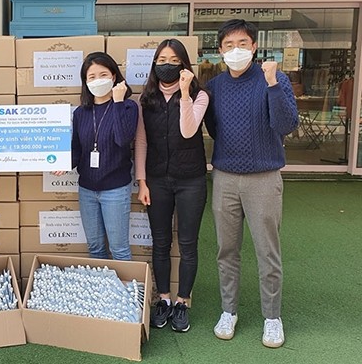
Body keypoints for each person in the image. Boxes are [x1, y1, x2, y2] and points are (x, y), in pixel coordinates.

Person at [205, 19, 299, 348]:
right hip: (225, 178)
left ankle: (272, 317)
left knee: (267, 252)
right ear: (220, 50)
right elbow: (214, 128)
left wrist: (272, 83)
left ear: (254, 46)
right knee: (226, 250)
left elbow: (286, 124)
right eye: (229, 45)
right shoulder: (215, 86)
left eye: (242, 43)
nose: (236, 50)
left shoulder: (274, 78)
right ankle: (228, 311)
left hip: (264, 178)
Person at [135, 39, 208, 332]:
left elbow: (188, 130)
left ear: (184, 65)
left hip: (191, 180)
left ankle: (182, 302)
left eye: (175, 60)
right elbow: (141, 141)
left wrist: (185, 92)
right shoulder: (147, 99)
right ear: (154, 64)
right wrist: (142, 181)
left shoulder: (200, 95)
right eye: (162, 59)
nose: (168, 65)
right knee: (161, 242)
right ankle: (163, 299)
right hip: (157, 179)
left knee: (188, 244)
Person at [65, 51, 137, 261]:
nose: (98, 80)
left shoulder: (128, 106)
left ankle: (126, 294)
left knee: (119, 249)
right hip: (87, 189)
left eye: (103, 74)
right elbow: (77, 149)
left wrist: (116, 102)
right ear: (85, 82)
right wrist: (63, 163)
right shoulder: (80, 113)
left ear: (114, 76)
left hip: (115, 189)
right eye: (92, 77)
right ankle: (102, 292)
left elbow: (123, 139)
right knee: (95, 248)